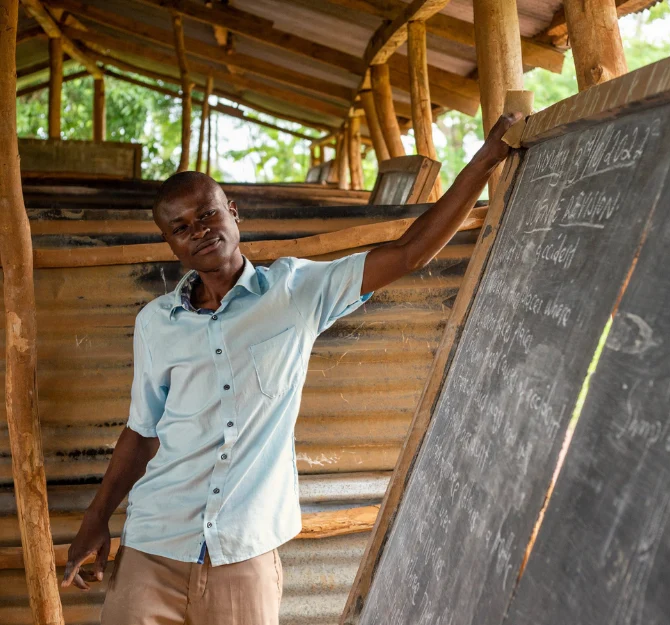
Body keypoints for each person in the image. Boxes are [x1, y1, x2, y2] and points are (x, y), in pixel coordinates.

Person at [60, 112, 522, 625]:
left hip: (246, 551)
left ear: (233, 214)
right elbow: (143, 432)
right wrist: (96, 519)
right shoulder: (156, 323)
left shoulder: (297, 291)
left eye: (209, 215)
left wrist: (486, 159)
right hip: (153, 547)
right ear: (171, 243)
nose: (200, 231)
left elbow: (409, 252)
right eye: (182, 227)